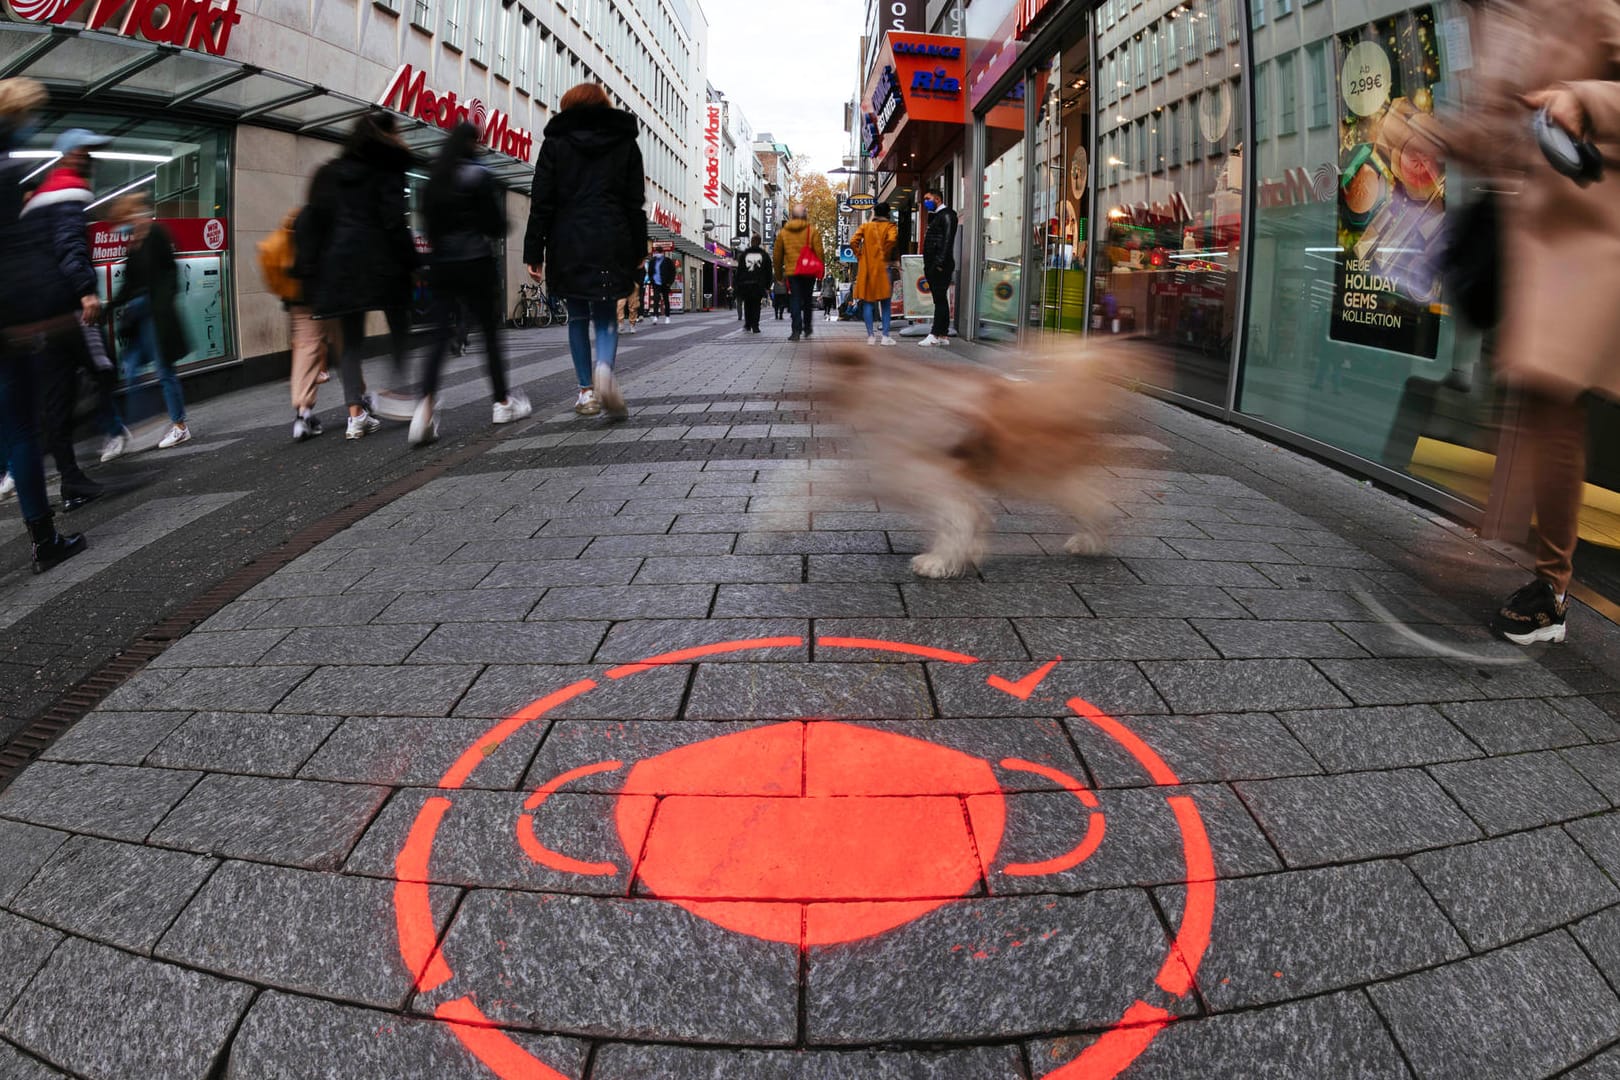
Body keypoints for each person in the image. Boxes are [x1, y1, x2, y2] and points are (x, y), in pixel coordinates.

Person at [1406, 0, 1620, 645]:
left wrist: (1584, 98)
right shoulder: (1499, 13)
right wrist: (1441, 136)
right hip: (1531, 237)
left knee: (1546, 397)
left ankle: (1539, 582)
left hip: (1586, 226)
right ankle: (1522, 569)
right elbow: (1500, 132)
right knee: (1530, 398)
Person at [0, 77, 86, 572]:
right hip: (8, 324)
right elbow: (15, 255)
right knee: (19, 429)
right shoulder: (9, 172)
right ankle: (43, 538)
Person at [525, 82, 648, 420]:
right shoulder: (625, 144)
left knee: (578, 316)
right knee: (606, 313)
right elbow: (634, 202)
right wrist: (639, 248)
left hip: (568, 239)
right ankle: (604, 369)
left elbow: (542, 202)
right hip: (612, 236)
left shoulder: (555, 144)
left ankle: (585, 391)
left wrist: (534, 250)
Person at [298, 111, 417, 440]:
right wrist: (413, 260)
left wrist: (312, 268)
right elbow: (394, 220)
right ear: (387, 135)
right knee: (401, 324)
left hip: (341, 266)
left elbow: (313, 220)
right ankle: (396, 392)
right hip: (381, 262)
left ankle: (356, 415)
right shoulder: (388, 169)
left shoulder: (331, 172)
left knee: (351, 340)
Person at [409, 121, 529, 446]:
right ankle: (502, 403)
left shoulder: (435, 176)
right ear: (473, 143)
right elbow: (496, 225)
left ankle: (425, 409)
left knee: (437, 337)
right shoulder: (480, 175)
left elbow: (428, 228)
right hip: (476, 263)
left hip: (442, 266)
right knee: (490, 336)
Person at [23, 126, 119, 508]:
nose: (92, 159)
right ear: (73, 154)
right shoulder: (69, 192)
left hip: (39, 314)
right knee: (105, 367)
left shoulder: (40, 198)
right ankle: (101, 431)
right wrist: (85, 291)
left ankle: (70, 479)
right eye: (88, 152)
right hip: (68, 308)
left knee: (56, 396)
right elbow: (69, 244)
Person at [110, 192, 192, 448]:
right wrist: (108, 308)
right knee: (132, 366)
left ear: (133, 214)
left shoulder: (156, 233)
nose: (122, 227)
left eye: (124, 219)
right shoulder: (134, 245)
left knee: (164, 369)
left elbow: (170, 269)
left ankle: (179, 425)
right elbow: (129, 284)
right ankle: (141, 422)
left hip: (157, 312)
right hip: (140, 315)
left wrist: (164, 300)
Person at [266, 206, 335, 440]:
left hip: (295, 294)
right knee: (343, 344)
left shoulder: (295, 217)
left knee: (305, 350)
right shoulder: (323, 218)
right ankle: (359, 405)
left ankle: (303, 414)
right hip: (319, 294)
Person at [772, 204, 825, 343]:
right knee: (807, 300)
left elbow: (777, 256)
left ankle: (796, 330)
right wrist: (821, 273)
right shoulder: (812, 231)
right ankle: (807, 328)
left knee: (795, 299)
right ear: (805, 215)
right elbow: (820, 253)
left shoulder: (783, 233)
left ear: (792, 216)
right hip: (809, 271)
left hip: (792, 272)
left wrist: (778, 275)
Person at [852, 201, 899, 346]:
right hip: (882, 267)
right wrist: (884, 253)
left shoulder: (866, 226)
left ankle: (870, 336)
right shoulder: (890, 227)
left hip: (867, 269)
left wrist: (861, 256)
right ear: (888, 213)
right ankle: (885, 336)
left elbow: (853, 241)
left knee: (868, 302)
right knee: (885, 303)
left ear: (875, 213)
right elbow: (891, 239)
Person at [919, 185, 958, 346]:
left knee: (940, 300)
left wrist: (939, 263)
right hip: (935, 263)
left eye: (928, 199)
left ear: (937, 199)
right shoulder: (938, 216)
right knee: (940, 299)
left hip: (940, 264)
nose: (926, 202)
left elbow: (948, 240)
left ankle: (935, 334)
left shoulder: (947, 215)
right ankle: (942, 334)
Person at [736, 234, 771, 334]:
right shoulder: (764, 255)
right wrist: (767, 285)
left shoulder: (745, 254)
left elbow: (740, 270)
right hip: (758, 285)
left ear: (751, 241)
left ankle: (748, 324)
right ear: (759, 242)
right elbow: (768, 271)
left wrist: (738, 284)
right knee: (756, 305)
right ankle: (755, 325)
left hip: (746, 284)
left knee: (748, 304)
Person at [646, 249, 675, 324]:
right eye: (656, 253)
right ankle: (655, 316)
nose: (657, 254)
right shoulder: (652, 261)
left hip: (665, 283)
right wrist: (652, 280)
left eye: (658, 252)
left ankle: (667, 316)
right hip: (656, 283)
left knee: (666, 300)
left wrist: (669, 282)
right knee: (656, 299)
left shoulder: (667, 261)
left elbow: (672, 272)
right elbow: (650, 272)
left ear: (662, 253)